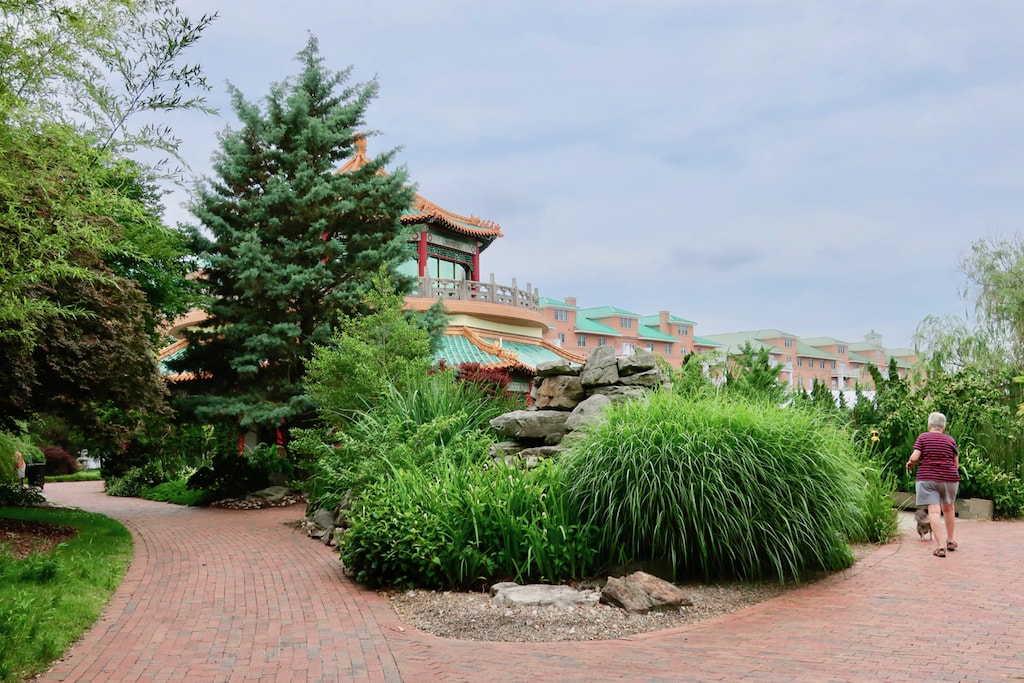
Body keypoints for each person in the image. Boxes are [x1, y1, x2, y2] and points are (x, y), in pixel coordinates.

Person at [906, 412, 960, 558]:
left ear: (929, 425)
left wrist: (910, 463)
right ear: (944, 426)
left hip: (927, 478)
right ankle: (950, 540)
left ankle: (940, 547)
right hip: (949, 478)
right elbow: (956, 464)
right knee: (949, 509)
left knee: (934, 512)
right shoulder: (950, 440)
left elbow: (915, 457)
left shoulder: (923, 437)